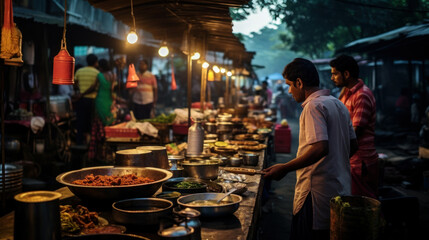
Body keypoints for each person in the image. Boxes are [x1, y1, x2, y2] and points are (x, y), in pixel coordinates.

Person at [263, 58, 358, 240]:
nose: (289, 91)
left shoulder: (313, 106)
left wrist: (284, 168)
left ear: (299, 82)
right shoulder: (338, 104)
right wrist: (335, 164)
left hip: (315, 194)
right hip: (339, 189)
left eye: (290, 85)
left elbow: (320, 147)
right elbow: (353, 146)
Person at [330, 54, 379, 199]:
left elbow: (355, 133)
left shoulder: (361, 95)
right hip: (350, 159)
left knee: (363, 205)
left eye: (335, 74)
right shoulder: (346, 92)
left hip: (360, 161)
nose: (332, 78)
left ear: (346, 74)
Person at [87, 59, 117, 162]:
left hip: (100, 101)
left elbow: (93, 87)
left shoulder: (99, 75)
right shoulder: (113, 75)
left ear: (101, 66)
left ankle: (100, 154)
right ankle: (109, 153)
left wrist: (82, 94)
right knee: (108, 125)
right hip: (109, 101)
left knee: (98, 125)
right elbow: (113, 89)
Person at [74, 54, 99, 145]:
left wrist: (80, 92)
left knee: (80, 122)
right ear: (96, 62)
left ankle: (79, 143)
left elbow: (75, 84)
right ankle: (90, 145)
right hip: (92, 101)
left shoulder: (79, 71)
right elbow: (96, 87)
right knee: (91, 123)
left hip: (81, 100)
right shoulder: (97, 73)